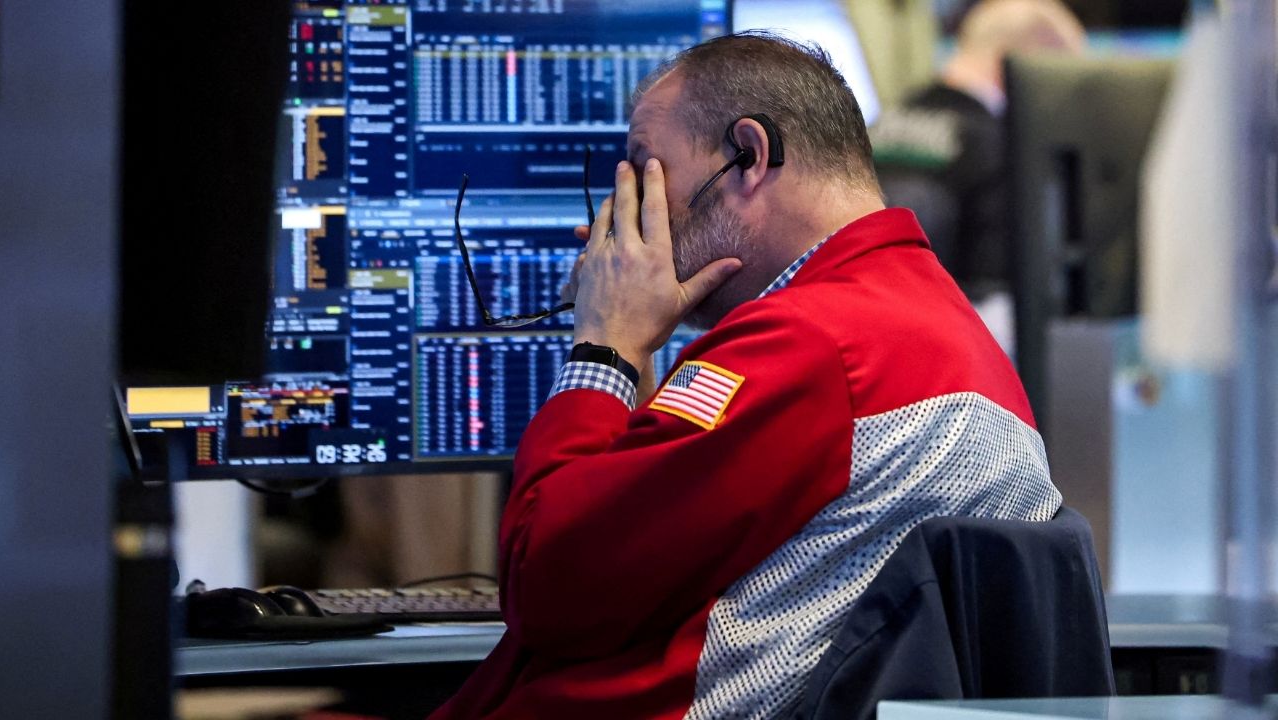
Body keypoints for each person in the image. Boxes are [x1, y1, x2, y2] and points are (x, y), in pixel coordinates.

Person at [431, 32, 1062, 720]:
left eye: (646, 173)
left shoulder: (809, 346)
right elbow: (646, 562)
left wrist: (603, 347)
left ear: (749, 157)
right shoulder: (920, 322)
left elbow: (548, 588)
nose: (619, 224)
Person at [872, 0, 1085, 351]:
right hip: (947, 361)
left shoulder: (881, 125)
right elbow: (997, 311)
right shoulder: (1004, 147)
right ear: (1021, 62)